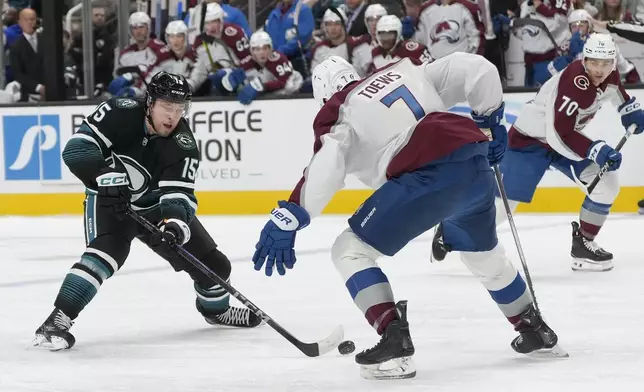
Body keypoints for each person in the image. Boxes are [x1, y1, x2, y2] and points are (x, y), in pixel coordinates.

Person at [251, 54, 564, 380]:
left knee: (349, 250)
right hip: (475, 161)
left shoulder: (338, 111)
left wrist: (291, 213)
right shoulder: (401, 71)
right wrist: (489, 120)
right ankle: (533, 327)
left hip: (427, 176)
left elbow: (327, 164)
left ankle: (393, 338)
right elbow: (475, 67)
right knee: (480, 254)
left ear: (324, 96)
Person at [32, 72, 261, 351]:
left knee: (216, 267)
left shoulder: (183, 145)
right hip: (108, 198)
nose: (172, 116)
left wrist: (175, 225)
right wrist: (103, 176)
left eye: (180, 109)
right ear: (149, 102)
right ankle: (57, 320)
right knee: (107, 253)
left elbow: (180, 195)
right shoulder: (119, 112)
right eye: (167, 106)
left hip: (154, 208)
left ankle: (216, 311)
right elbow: (77, 148)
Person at [433, 33, 644, 272]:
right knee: (504, 208)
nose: (599, 69)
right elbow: (558, 132)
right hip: (530, 141)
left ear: (613, 63)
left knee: (606, 183)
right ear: (585, 60)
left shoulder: (610, 75)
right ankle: (450, 229)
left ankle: (583, 243)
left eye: (605, 63)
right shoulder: (575, 82)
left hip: (564, 141)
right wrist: (596, 150)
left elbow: (618, 94)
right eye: (594, 62)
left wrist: (629, 110)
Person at [213, 31, 303, 105]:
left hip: (287, 101)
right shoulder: (247, 63)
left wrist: (263, 86)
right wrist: (229, 80)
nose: (262, 52)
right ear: (252, 51)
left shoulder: (279, 59)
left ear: (270, 49)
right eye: (257, 49)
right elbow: (234, 79)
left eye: (265, 48)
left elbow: (287, 84)